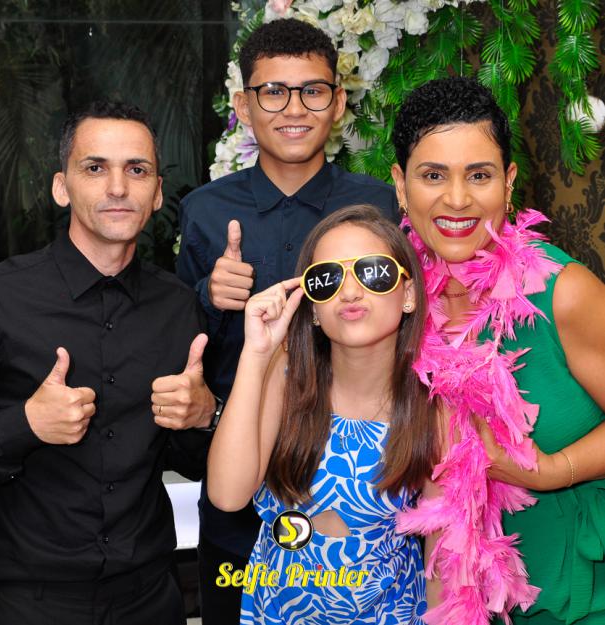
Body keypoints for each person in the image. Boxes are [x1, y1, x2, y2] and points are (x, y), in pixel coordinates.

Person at [176, 18, 399, 624]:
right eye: (273, 91)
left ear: (338, 102)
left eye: (312, 91)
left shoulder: (379, 206)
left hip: (360, 488)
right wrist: (207, 295)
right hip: (239, 474)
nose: (294, 108)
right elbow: (179, 343)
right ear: (243, 105)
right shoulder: (204, 211)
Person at [0, 101, 218, 625]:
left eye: (136, 170)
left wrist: (205, 416)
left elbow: (195, 461)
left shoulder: (178, 306)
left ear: (157, 192)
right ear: (61, 187)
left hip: (151, 596)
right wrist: (26, 424)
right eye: (95, 168)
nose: (117, 187)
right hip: (27, 601)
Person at [391, 77, 605, 624]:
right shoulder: (390, 304)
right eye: (433, 175)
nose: (457, 199)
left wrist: (550, 470)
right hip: (445, 600)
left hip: (580, 594)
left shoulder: (564, 292)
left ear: (508, 183)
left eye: (479, 175)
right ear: (400, 185)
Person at [207, 204, 437, 625]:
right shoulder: (285, 376)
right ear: (312, 307)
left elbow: (444, 555)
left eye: (373, 272)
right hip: (276, 611)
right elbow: (227, 494)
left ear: (408, 294)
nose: (349, 293)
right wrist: (256, 354)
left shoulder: (432, 404)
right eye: (327, 279)